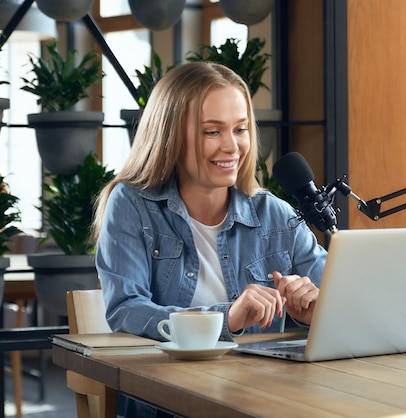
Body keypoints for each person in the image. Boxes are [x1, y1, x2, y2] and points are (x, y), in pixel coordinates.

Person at [92, 62, 327, 418]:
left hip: (264, 400)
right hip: (167, 406)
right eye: (212, 132)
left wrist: (315, 312)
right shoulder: (131, 205)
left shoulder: (275, 214)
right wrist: (225, 319)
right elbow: (126, 309)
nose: (232, 147)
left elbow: (347, 304)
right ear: (170, 135)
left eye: (241, 129)